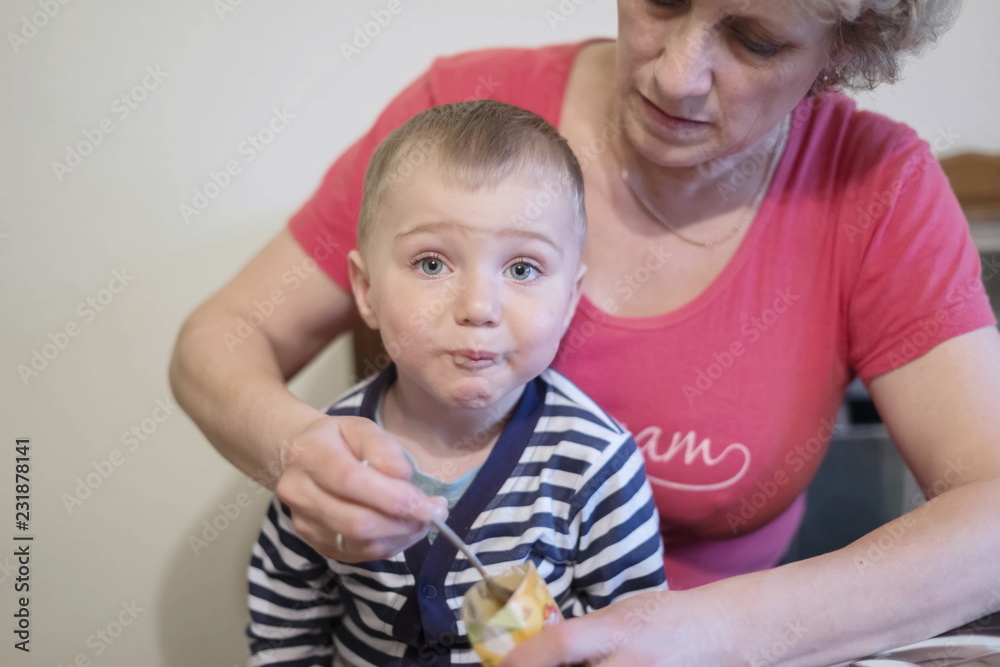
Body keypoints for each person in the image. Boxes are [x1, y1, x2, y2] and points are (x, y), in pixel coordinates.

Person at [169, 0, 1000, 664]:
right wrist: (291, 447)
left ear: (842, 53)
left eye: (753, 39)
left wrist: (711, 636)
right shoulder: (461, 122)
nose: (677, 75)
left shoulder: (874, 187)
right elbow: (223, 333)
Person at [245, 100, 667, 666]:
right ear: (366, 291)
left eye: (522, 269)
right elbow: (285, 611)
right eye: (431, 263)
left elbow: (640, 638)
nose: (477, 306)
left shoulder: (597, 463)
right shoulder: (330, 453)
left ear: (569, 301)